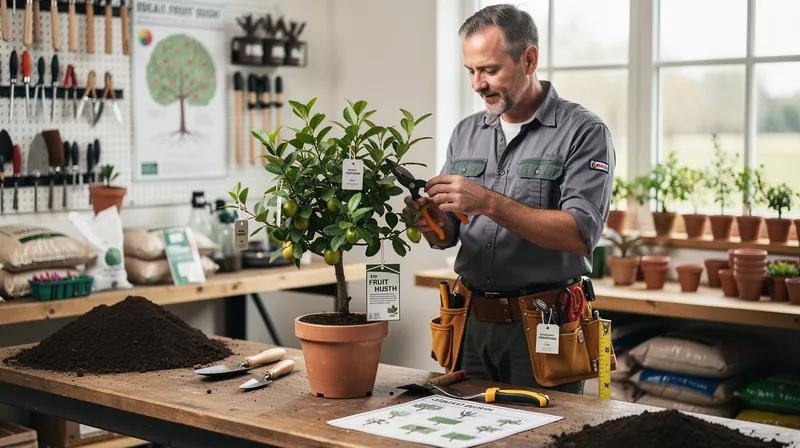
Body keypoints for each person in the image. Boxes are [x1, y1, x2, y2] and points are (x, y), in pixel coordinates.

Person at [403, 4, 615, 394]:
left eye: (489, 70)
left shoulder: (584, 131)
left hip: (544, 327)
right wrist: (430, 223)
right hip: (468, 323)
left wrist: (486, 201)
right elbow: (449, 234)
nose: (477, 84)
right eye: (471, 71)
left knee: (545, 436)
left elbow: (580, 234)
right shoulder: (466, 132)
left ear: (529, 59)